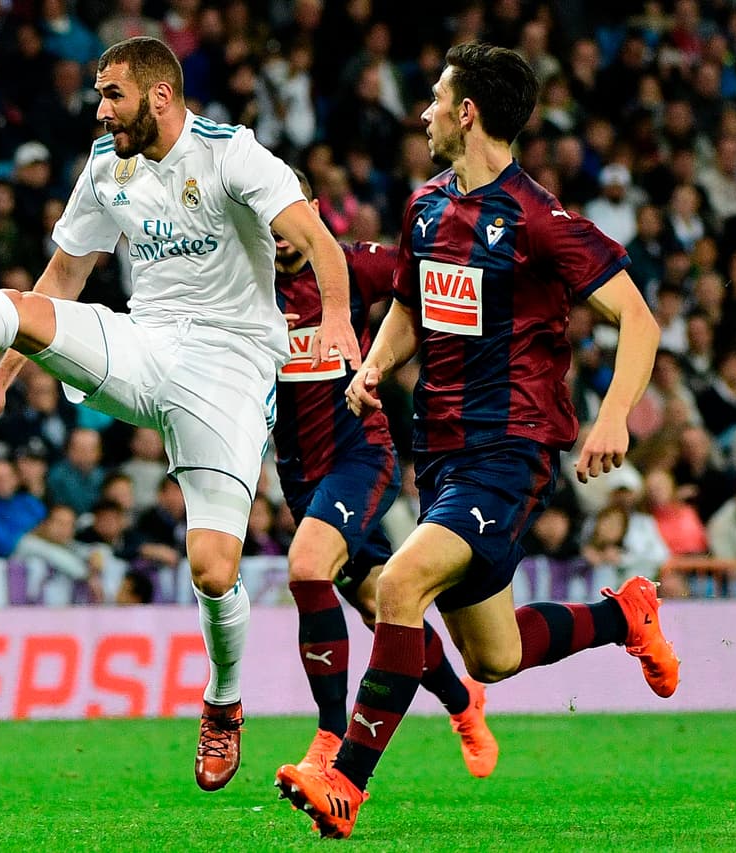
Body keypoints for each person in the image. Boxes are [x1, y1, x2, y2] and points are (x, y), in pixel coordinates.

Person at [0, 36, 358, 791]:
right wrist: (3, 381)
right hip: (143, 343)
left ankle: (224, 700)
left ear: (161, 95)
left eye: (113, 95)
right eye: (99, 96)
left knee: (212, 568)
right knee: (20, 307)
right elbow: (63, 276)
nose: (100, 110)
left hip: (231, 368)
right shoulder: (107, 166)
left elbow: (316, 239)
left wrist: (336, 316)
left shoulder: (234, 154)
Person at [275, 44, 678, 839]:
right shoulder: (426, 206)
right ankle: (625, 615)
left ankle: (345, 780)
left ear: (468, 113)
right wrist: (375, 365)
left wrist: (614, 412)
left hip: (511, 448)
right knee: (493, 655)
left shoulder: (536, 217)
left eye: (434, 98)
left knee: (397, 584)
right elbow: (412, 305)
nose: (421, 112)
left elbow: (639, 317)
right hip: (445, 453)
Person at [273, 169, 497, 778]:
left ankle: (327, 736)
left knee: (305, 567)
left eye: (291, 216)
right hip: (300, 476)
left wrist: (422, 360)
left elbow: (428, 282)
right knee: (379, 606)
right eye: (269, 219)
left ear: (314, 211)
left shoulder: (351, 268)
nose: (281, 233)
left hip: (360, 457)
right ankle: (462, 703)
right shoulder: (244, 286)